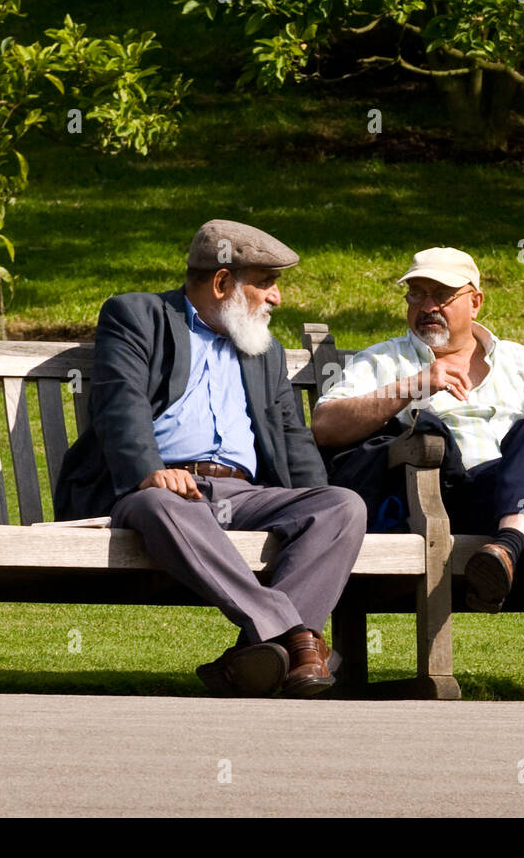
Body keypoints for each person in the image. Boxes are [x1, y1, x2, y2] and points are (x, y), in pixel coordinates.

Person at [53, 219, 367, 698]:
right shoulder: (138, 316)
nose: (277, 297)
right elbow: (121, 404)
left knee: (342, 505)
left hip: (244, 495)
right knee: (163, 505)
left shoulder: (265, 352)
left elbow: (292, 436)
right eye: (266, 283)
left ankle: (255, 656)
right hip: (160, 491)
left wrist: (312, 494)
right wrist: (149, 472)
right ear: (222, 283)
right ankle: (298, 636)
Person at [312, 247, 524, 702]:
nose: (426, 306)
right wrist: (415, 385)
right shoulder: (385, 360)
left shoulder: (516, 360)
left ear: (475, 301)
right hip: (439, 499)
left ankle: (506, 547)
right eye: (416, 295)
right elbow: (325, 427)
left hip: (512, 502)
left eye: (441, 295)